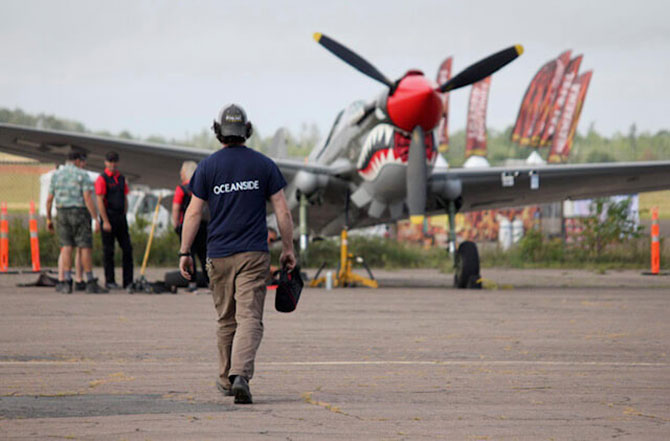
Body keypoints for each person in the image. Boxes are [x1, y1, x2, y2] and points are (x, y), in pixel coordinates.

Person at [179, 103, 296, 404]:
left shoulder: (207, 167)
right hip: (254, 254)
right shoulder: (263, 165)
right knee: (250, 318)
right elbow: (282, 210)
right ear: (247, 131)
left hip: (218, 254)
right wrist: (288, 248)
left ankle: (225, 378)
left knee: (226, 319)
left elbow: (193, 214)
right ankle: (240, 374)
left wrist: (184, 252)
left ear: (218, 132)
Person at [46, 152, 107, 294]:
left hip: (62, 212)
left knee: (66, 246)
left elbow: (49, 199)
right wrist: (95, 218)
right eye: (83, 161)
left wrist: (49, 218)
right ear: (78, 161)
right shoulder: (82, 175)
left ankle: (66, 282)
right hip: (79, 212)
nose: (84, 164)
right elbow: (87, 198)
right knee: (85, 246)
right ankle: (90, 281)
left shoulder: (56, 175)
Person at [95, 151, 134, 291]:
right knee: (108, 251)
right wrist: (105, 221)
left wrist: (124, 213)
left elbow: (125, 197)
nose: (113, 164)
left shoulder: (121, 178)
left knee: (127, 249)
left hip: (120, 217)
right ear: (106, 162)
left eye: (114, 161)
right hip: (108, 216)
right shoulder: (102, 179)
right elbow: (99, 201)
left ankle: (128, 281)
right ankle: (109, 280)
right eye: (110, 161)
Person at [172, 160, 208, 292]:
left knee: (188, 253)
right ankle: (209, 280)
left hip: (187, 225)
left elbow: (176, 208)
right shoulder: (201, 187)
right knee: (204, 254)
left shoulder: (181, 189)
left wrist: (175, 224)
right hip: (203, 225)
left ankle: (191, 283)